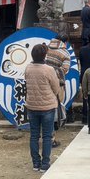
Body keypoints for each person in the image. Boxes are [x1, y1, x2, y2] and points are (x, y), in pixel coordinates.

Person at [25, 44, 63, 172]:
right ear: (45, 55)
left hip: (32, 105)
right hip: (47, 106)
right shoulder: (49, 69)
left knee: (34, 135)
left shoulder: (28, 68)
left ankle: (35, 163)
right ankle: (45, 163)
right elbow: (56, 88)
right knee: (47, 136)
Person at [45, 34, 71, 148]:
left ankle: (44, 136)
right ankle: (51, 138)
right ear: (65, 42)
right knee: (53, 110)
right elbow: (65, 70)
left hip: (43, 83)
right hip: (56, 85)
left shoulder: (45, 48)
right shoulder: (65, 53)